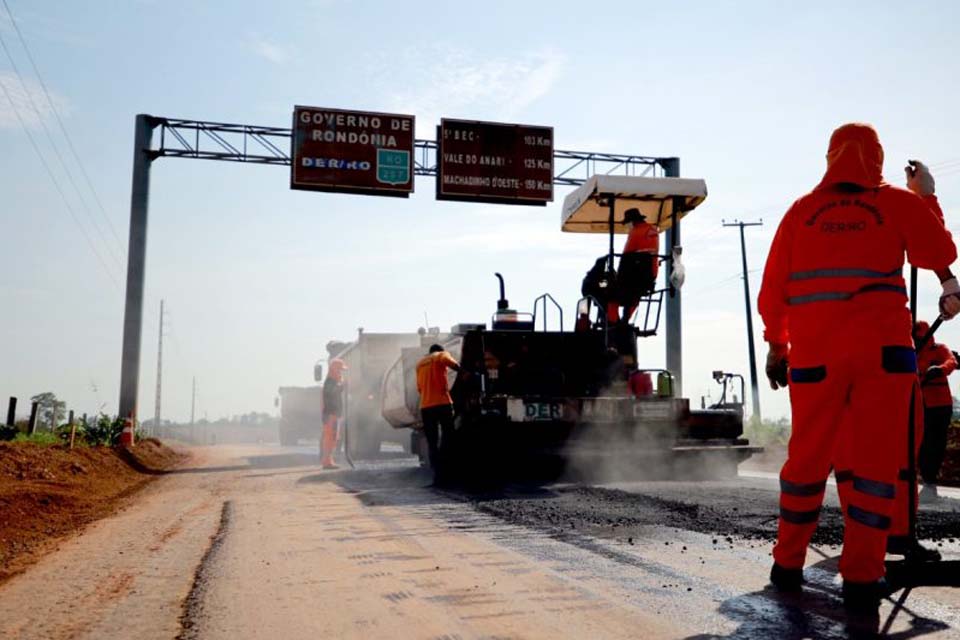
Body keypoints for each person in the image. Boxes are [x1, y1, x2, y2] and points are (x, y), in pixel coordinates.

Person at [758, 123, 959, 611]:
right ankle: (862, 579)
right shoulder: (897, 203)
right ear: (878, 157)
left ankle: (787, 565)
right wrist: (926, 197)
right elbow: (939, 253)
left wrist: (777, 346)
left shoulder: (801, 213)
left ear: (830, 158)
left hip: (814, 359)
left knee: (806, 460)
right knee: (874, 468)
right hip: (882, 359)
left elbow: (772, 291)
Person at [915, 320, 957, 501]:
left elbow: (952, 361)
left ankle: (930, 483)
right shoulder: (910, 351)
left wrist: (940, 370)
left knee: (936, 444)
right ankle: (923, 481)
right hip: (919, 405)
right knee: (920, 443)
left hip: (940, 406)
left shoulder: (939, 349)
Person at [416, 344, 461, 483]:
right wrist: (464, 370)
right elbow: (452, 364)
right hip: (442, 403)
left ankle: (438, 475)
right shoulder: (441, 355)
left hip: (426, 406)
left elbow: (419, 388)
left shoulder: (419, 364)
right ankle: (448, 470)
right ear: (440, 350)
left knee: (432, 442)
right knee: (448, 436)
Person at [607, 208, 660, 324]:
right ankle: (625, 320)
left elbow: (626, 258)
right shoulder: (653, 230)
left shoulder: (635, 233)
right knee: (634, 297)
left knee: (609, 295)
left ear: (632, 221)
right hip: (650, 276)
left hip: (632, 278)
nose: (627, 226)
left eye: (627, 223)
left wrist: (617, 277)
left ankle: (613, 322)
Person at [320, 358, 347, 469]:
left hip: (333, 414)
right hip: (331, 415)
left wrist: (341, 384)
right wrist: (343, 386)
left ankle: (328, 461)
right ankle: (327, 462)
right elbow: (333, 392)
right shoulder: (330, 382)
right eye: (340, 370)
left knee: (333, 439)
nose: (341, 372)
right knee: (330, 439)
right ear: (335, 369)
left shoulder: (332, 381)